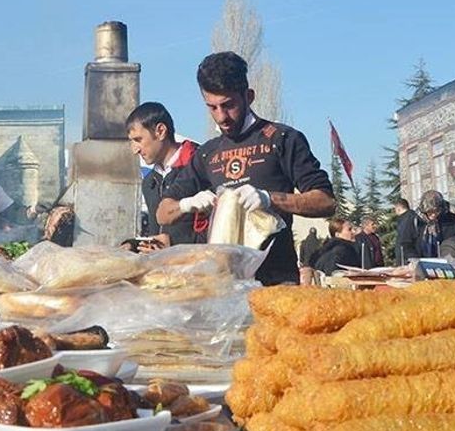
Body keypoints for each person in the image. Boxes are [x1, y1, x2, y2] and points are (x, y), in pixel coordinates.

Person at [157, 52, 336, 285]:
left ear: (248, 96)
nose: (221, 117)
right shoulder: (207, 153)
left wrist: (270, 199)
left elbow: (326, 201)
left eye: (228, 105)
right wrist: (186, 204)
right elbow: (163, 212)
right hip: (224, 286)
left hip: (276, 283)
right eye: (212, 107)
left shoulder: (281, 139)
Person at [125, 102, 207, 248]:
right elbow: (157, 236)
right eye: (132, 141)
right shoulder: (149, 183)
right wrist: (133, 246)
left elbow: (221, 229)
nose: (134, 150)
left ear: (161, 131)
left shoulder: (202, 167)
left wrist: (174, 244)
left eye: (138, 140)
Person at [413, 190, 455, 259]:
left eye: (437, 211)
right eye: (429, 212)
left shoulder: (454, 221)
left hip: (449, 259)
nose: (433, 215)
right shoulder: (418, 222)